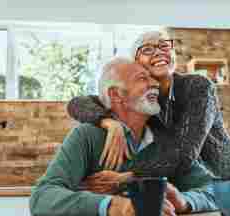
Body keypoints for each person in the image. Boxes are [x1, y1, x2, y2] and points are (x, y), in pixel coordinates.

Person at [30, 58, 217, 216]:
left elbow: (215, 190)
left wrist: (184, 201)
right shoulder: (87, 136)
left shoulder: (169, 140)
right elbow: (42, 196)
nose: (154, 84)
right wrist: (115, 206)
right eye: (142, 78)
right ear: (117, 94)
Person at [67, 31, 230, 179]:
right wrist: (108, 121)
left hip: (226, 180)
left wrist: (126, 176)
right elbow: (77, 103)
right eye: (147, 49)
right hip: (186, 186)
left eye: (164, 46)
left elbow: (184, 153)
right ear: (136, 64)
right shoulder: (143, 100)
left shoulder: (199, 86)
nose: (159, 52)